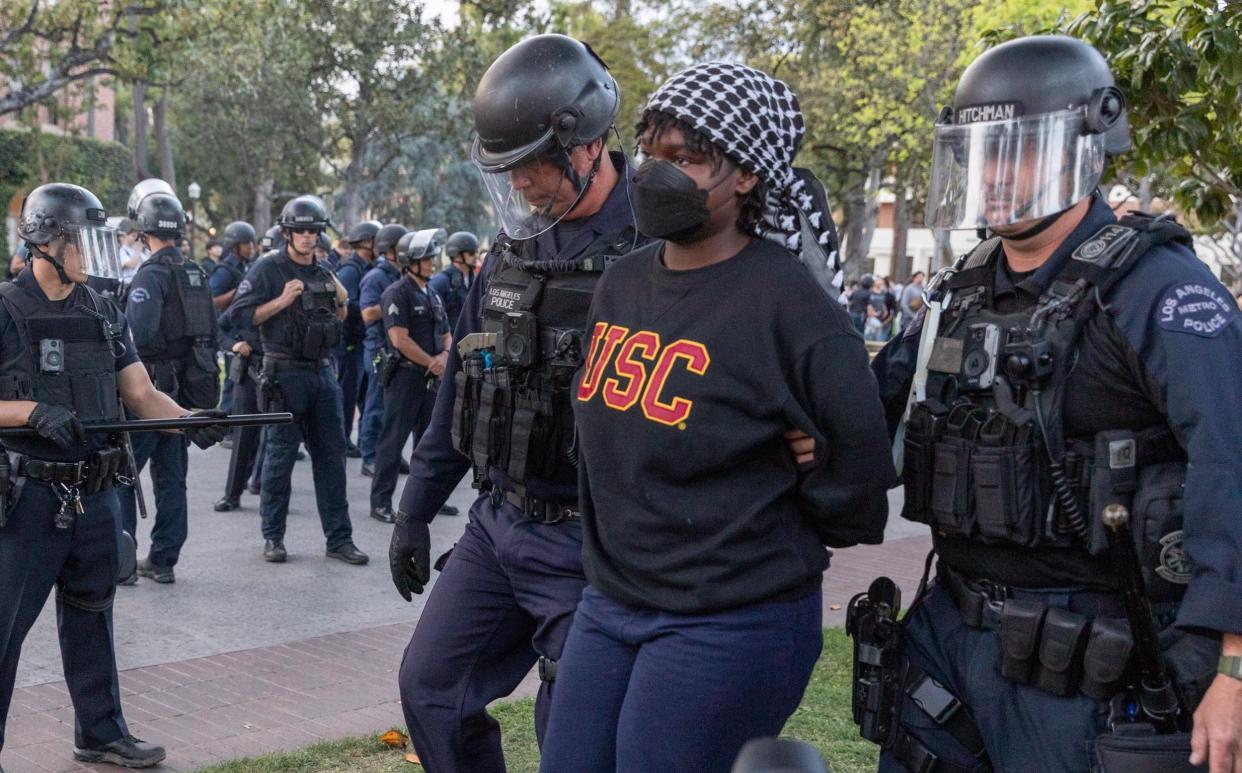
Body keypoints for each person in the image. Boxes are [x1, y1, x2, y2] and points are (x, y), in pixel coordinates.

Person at [857, 35, 1242, 773]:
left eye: (1019, 149)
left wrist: (1233, 671)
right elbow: (869, 413)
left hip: (1094, 658)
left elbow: (1234, 460)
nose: (995, 174)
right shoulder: (961, 290)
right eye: (980, 153)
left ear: (1085, 146)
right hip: (951, 642)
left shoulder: (1161, 291)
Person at [537, 60, 893, 773]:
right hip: (610, 601)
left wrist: (813, 467)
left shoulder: (791, 306)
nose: (657, 173)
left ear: (748, 177)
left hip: (730, 616)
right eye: (652, 153)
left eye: (689, 159)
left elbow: (860, 496)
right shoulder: (621, 282)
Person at [387, 34, 645, 772]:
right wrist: (413, 509)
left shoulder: (654, 247)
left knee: (574, 727)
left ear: (585, 143)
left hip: (591, 544)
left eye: (528, 165)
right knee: (430, 686)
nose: (520, 187)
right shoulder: (510, 249)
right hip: (497, 522)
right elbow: (462, 383)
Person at [0, 183, 227, 769]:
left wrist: (190, 422)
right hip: (27, 498)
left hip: (95, 490)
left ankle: (100, 733)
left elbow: (141, 393)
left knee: (92, 611)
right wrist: (30, 412)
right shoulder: (4, 308)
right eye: (84, 240)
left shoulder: (102, 308)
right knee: (3, 631)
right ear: (45, 240)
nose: (97, 251)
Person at [228, 195, 368, 566]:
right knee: (279, 459)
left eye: (313, 231)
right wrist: (282, 300)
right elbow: (240, 317)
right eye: (300, 231)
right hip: (283, 373)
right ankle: (273, 537)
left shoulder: (324, 271)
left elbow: (339, 317)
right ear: (287, 233)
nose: (308, 237)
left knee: (332, 460)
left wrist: (342, 302)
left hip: (322, 372)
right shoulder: (267, 269)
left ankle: (339, 539)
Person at [117, 187, 224, 585]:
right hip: (186, 389)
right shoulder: (197, 272)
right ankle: (163, 561)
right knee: (172, 478)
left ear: (144, 232)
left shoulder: (152, 274)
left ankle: (122, 562)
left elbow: (137, 335)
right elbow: (210, 330)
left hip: (150, 388)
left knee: (124, 475)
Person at [369, 228, 450, 523]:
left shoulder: (432, 292)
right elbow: (399, 339)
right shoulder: (397, 293)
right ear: (409, 261)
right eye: (426, 258)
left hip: (430, 377)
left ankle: (425, 502)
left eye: (432, 257)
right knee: (393, 441)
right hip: (405, 377)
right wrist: (432, 361)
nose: (432, 263)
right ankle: (380, 502)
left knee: (428, 444)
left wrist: (444, 357)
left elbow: (446, 332)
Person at [357, 224, 407, 477]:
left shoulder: (402, 274)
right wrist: (395, 300)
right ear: (389, 250)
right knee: (376, 405)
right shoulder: (376, 277)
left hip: (396, 348)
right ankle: (369, 457)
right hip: (378, 350)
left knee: (393, 409)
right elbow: (366, 313)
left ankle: (390, 455)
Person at [334, 221, 381, 458]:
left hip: (359, 341)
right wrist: (367, 306)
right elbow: (345, 304)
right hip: (348, 342)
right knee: (347, 394)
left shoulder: (367, 267)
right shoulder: (351, 269)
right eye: (376, 240)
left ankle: (359, 441)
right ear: (365, 242)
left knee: (361, 395)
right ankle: (341, 440)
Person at [210, 221, 258, 416]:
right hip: (230, 333)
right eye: (246, 243)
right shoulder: (224, 270)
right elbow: (212, 301)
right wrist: (236, 293)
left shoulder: (249, 267)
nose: (251, 248)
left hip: (244, 331)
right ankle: (226, 426)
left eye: (252, 243)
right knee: (232, 381)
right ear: (235, 245)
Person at [427, 231, 479, 330]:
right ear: (457, 255)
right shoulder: (441, 282)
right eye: (471, 253)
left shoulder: (477, 281)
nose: (476, 256)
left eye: (476, 252)